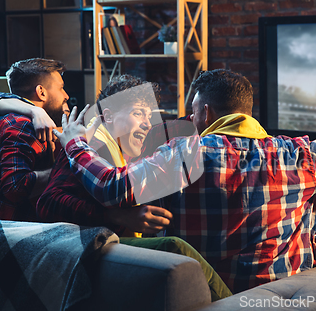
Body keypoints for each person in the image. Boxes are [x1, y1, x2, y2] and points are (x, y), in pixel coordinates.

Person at [53, 69, 316, 294]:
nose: (190, 118)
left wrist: (73, 142)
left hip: (212, 289)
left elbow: (112, 187)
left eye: (193, 111)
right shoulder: (300, 152)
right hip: (288, 284)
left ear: (206, 113)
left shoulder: (183, 155)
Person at [37, 74, 232, 301]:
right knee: (174, 248)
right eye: (138, 113)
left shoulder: (123, 149)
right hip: (77, 254)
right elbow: (47, 204)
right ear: (107, 117)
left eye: (150, 115)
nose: (148, 123)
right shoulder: (91, 143)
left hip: (104, 253)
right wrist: (116, 216)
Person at [0, 58, 69, 221]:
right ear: (41, 92)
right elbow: (15, 187)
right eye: (61, 88)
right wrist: (69, 168)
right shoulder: (24, 126)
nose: (66, 95)